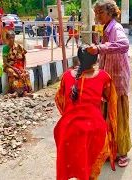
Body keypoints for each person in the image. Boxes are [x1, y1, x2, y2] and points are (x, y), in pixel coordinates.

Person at [54, 45, 118, 180]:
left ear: (78, 59)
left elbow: (59, 100)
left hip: (67, 128)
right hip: (94, 128)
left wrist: (71, 115)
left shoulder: (66, 76)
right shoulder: (103, 76)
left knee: (73, 162)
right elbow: (111, 100)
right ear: (96, 60)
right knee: (90, 164)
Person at [88, 0, 131, 167]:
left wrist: (99, 48)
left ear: (110, 12)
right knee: (105, 117)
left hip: (117, 81)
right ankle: (108, 150)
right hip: (106, 80)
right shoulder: (106, 28)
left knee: (118, 117)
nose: (98, 16)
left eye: (101, 12)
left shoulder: (116, 28)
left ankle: (122, 153)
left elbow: (123, 44)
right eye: (96, 13)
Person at [2, 31, 32, 98]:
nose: (12, 40)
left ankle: (25, 92)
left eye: (13, 38)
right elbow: (5, 62)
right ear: (7, 39)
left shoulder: (18, 47)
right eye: (10, 38)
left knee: (25, 73)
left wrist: (24, 68)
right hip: (9, 65)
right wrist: (14, 68)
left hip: (18, 65)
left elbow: (24, 58)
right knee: (12, 73)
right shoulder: (5, 48)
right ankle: (15, 92)